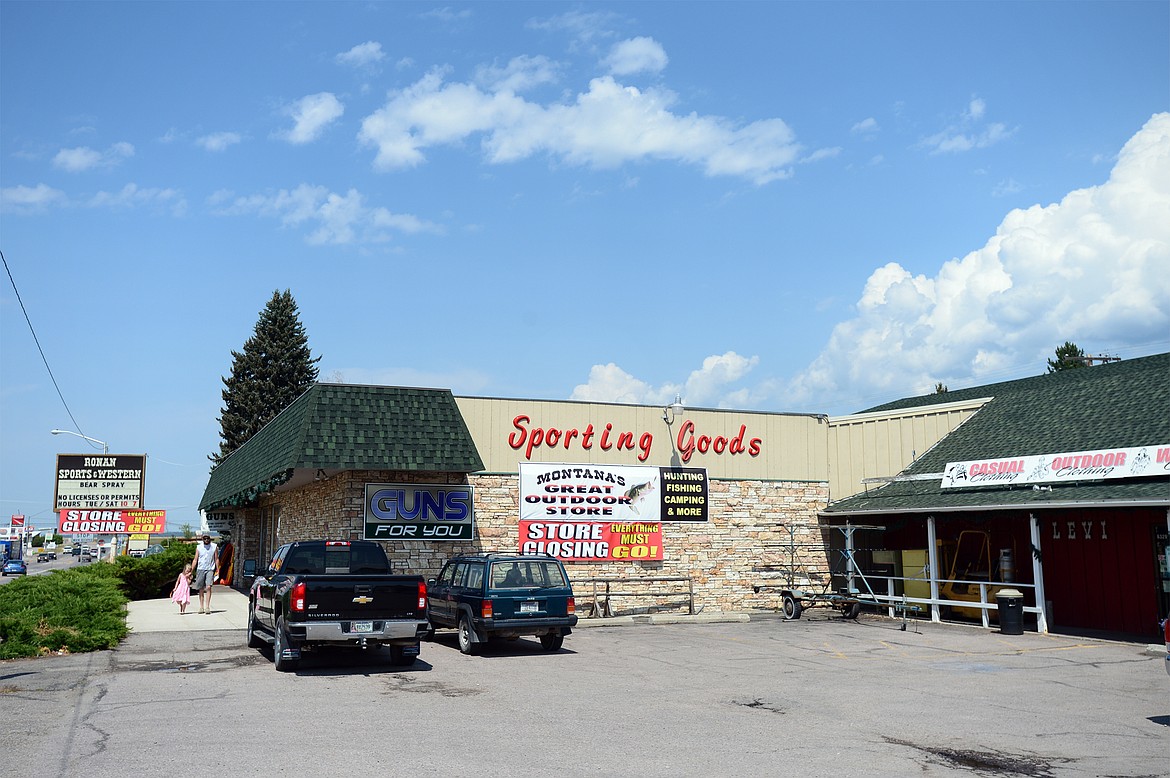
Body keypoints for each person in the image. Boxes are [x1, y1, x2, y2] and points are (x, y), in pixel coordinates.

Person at [191, 534, 219, 614]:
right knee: (201, 588)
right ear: (202, 539)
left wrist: (218, 569)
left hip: (210, 569)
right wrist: (191, 570)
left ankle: (207, 607)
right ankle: (201, 607)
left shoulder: (214, 547)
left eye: (208, 538)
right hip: (201, 569)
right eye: (205, 538)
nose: (206, 540)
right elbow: (195, 559)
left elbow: (216, 558)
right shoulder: (199, 547)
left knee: (208, 587)